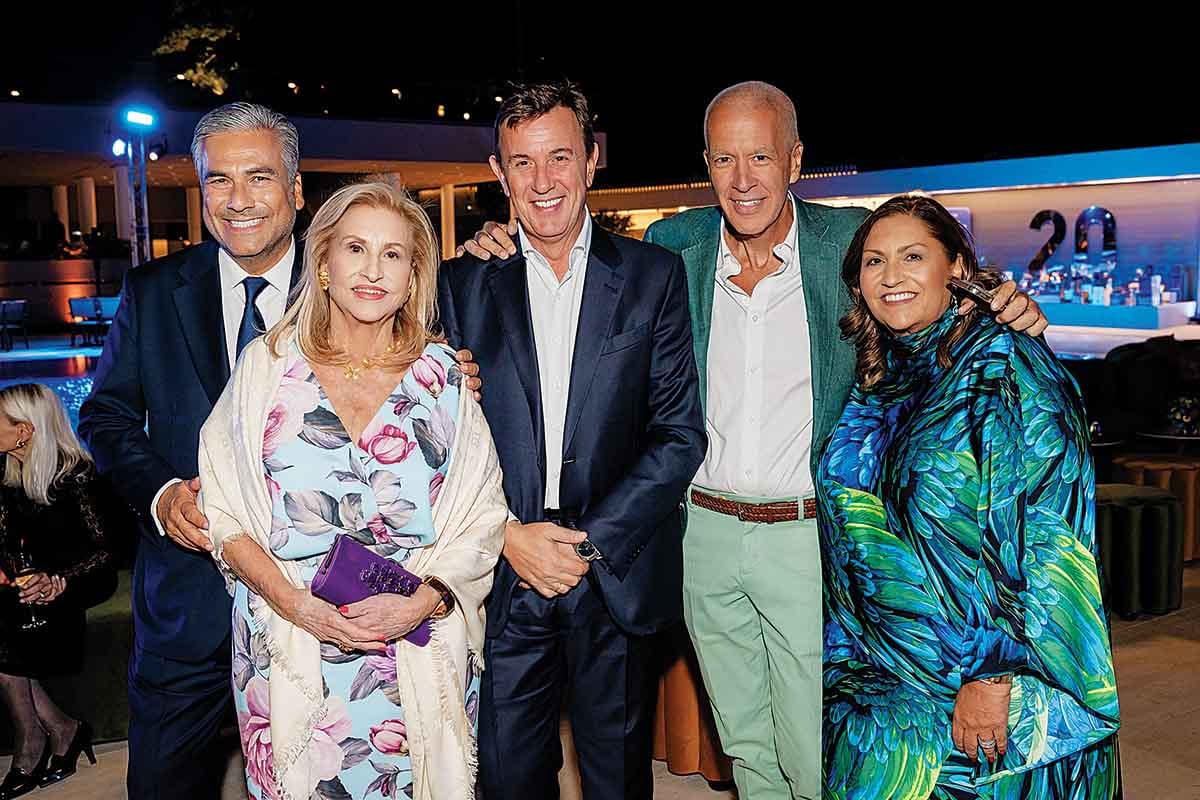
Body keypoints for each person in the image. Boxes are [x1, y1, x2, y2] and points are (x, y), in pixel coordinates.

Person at [462, 80, 1048, 800]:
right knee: (747, 747)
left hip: (808, 537)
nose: (742, 180)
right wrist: (491, 241)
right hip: (704, 538)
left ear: (795, 159)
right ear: (706, 164)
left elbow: (920, 281)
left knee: (814, 750)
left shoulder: (847, 244)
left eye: (761, 157)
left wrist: (995, 302)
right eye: (724, 159)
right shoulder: (675, 246)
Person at [78, 101, 482, 799]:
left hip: (355, 626)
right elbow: (106, 415)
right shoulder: (152, 291)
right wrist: (163, 495)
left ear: (295, 189)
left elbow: (435, 418)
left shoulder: (354, 276)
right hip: (188, 606)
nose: (238, 199)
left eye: (259, 177)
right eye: (219, 180)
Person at [439, 79, 707, 800]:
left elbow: (678, 434)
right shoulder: (459, 283)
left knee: (618, 782)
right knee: (506, 781)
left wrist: (587, 545)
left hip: (613, 573)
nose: (543, 181)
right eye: (522, 162)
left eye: (559, 157)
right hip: (504, 575)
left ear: (591, 159)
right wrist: (507, 536)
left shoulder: (653, 276)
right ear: (498, 174)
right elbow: (440, 445)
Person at [198, 179, 507, 800]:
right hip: (287, 646)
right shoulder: (267, 367)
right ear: (324, 262)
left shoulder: (443, 377)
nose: (372, 271)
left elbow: (482, 517)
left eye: (393, 254)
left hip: (414, 647)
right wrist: (295, 604)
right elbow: (223, 515)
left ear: (413, 274)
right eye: (356, 249)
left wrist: (423, 601)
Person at [818, 194, 1119, 798]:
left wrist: (995, 676)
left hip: (975, 689)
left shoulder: (1005, 364)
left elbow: (1047, 530)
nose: (891, 276)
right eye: (875, 261)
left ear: (956, 267)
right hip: (876, 682)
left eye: (912, 256)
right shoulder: (878, 373)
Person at [0, 384, 125, 798]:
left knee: (5, 622)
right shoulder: (7, 475)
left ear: (24, 431)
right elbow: (7, 545)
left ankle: (32, 739)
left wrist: (59, 581)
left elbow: (106, 553)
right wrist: (20, 575)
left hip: (82, 580)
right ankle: (60, 727)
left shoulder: (78, 477)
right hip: (31, 584)